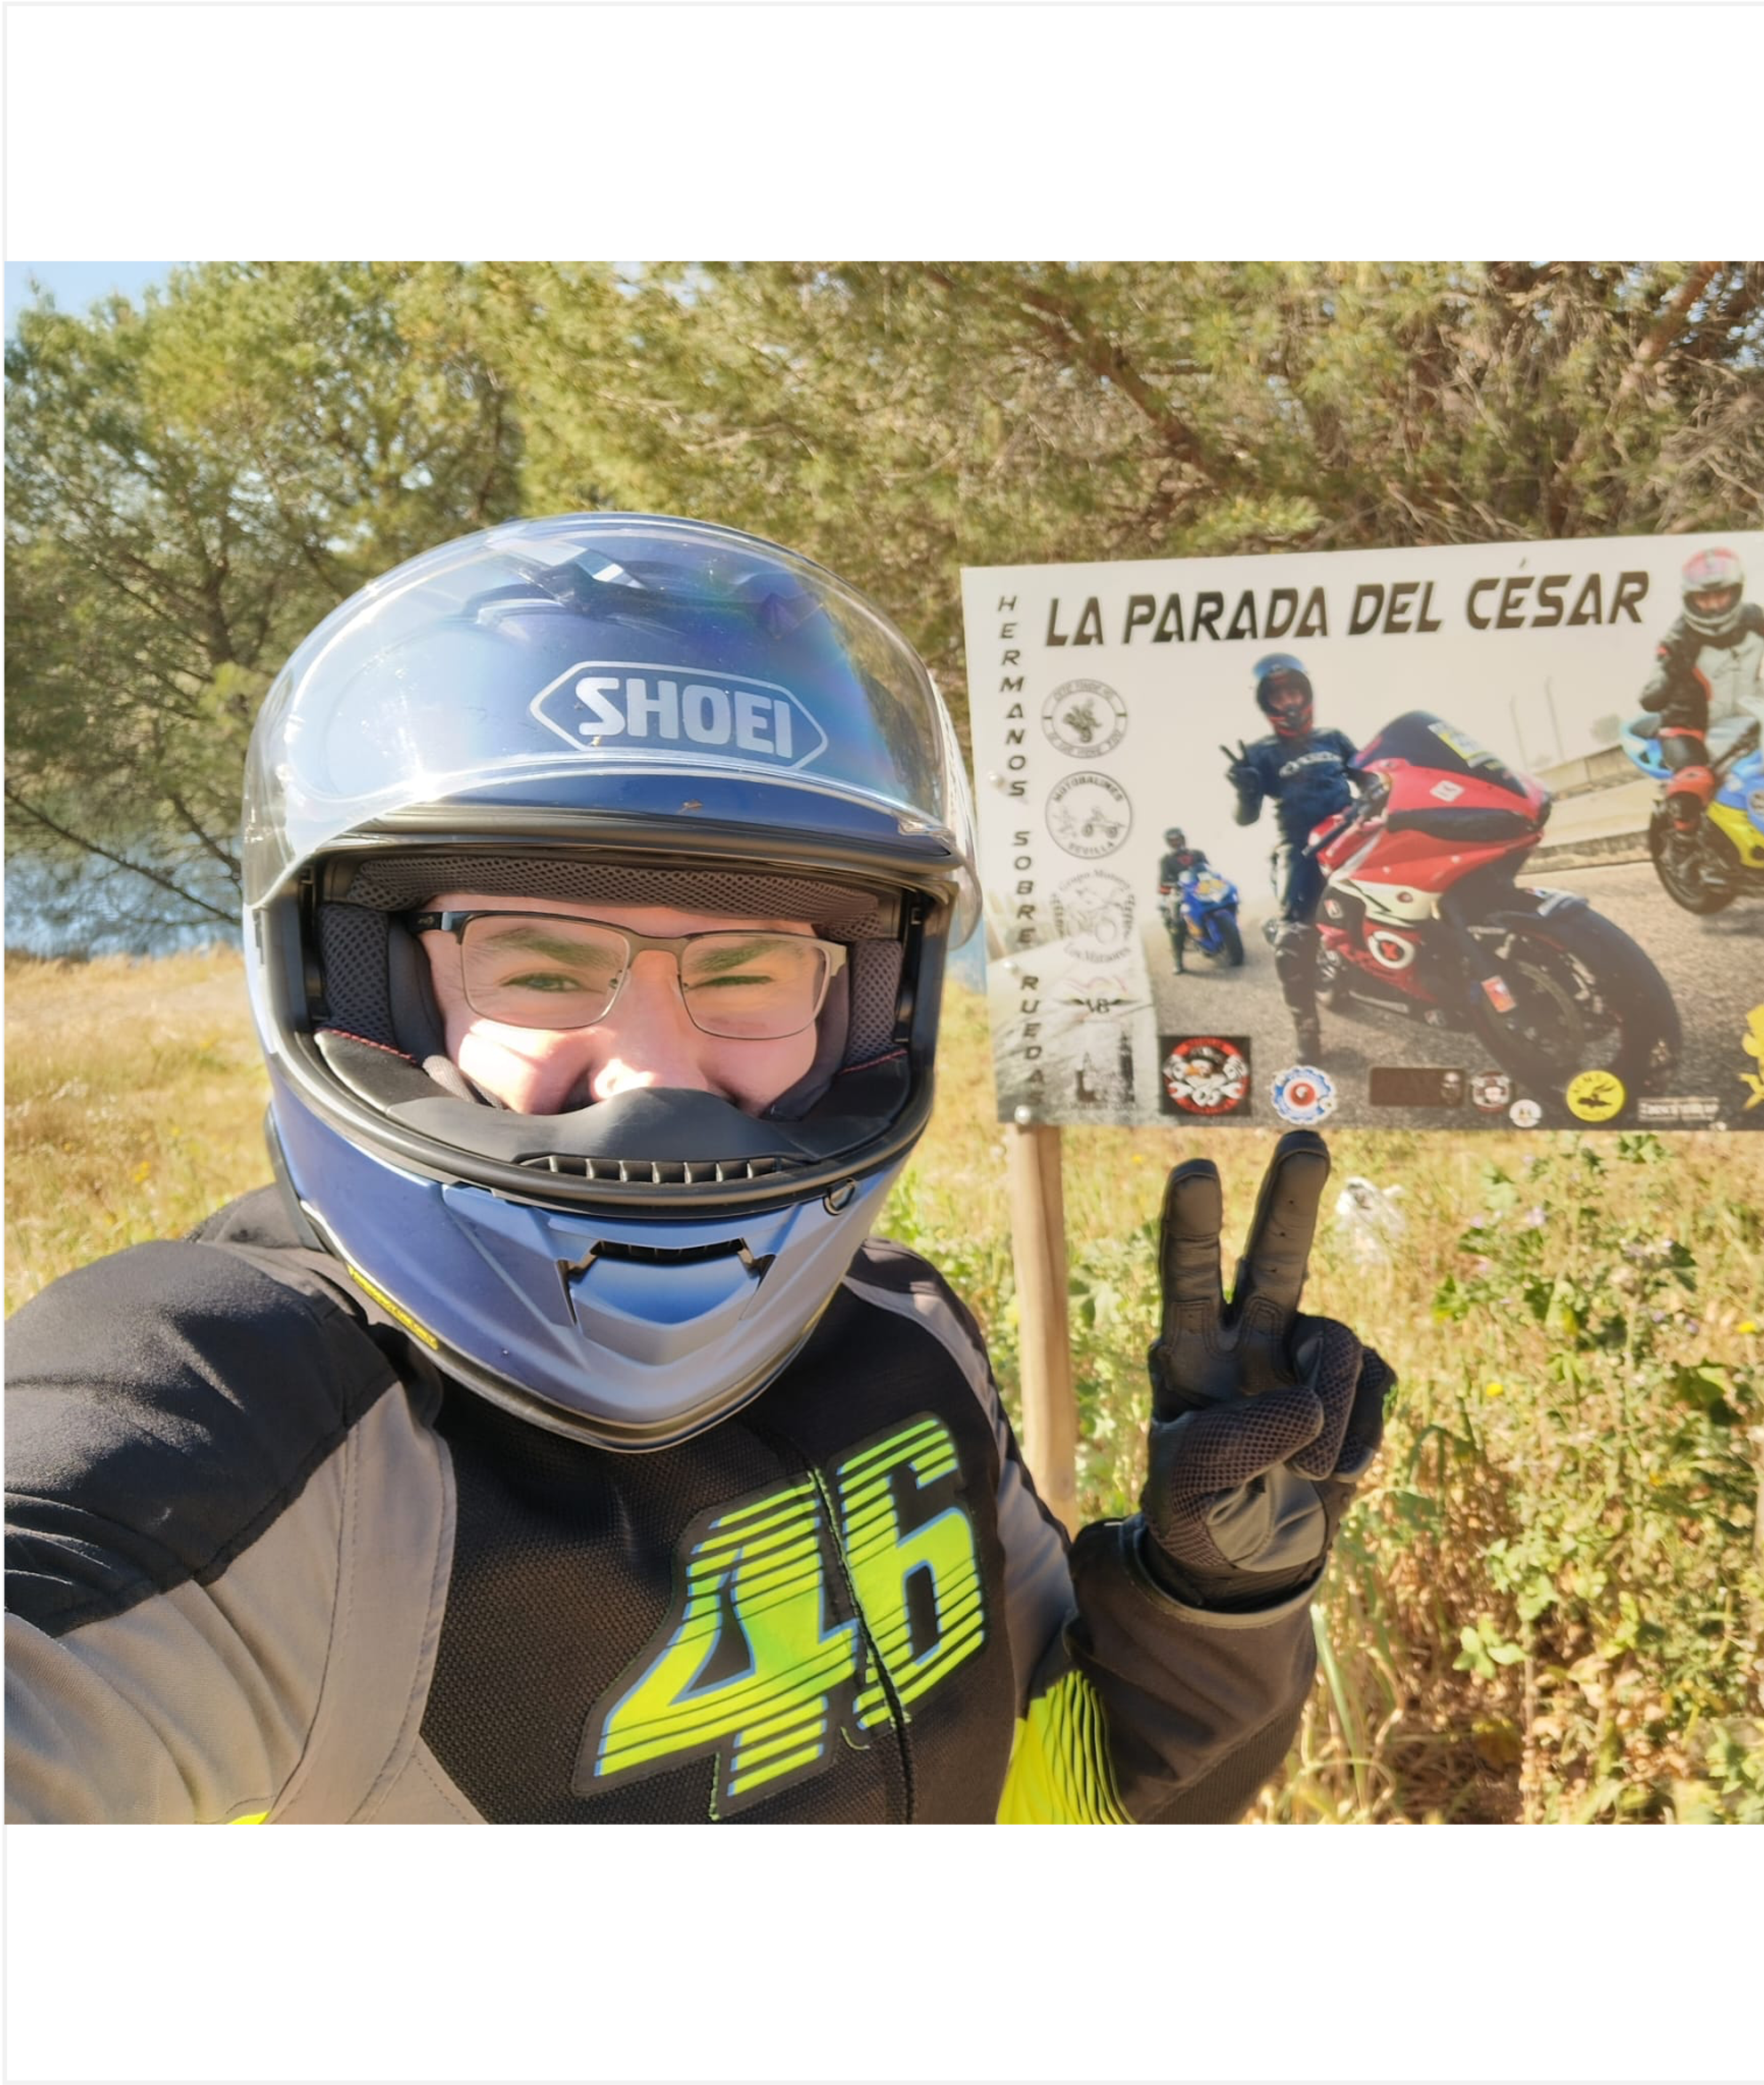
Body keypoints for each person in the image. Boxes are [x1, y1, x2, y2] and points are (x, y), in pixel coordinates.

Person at [4, 514, 1393, 1825]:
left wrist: (1213, 1605)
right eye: (539, 966)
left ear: (855, 1009)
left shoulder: (906, 1338)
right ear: (381, 993)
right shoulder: (245, 1416)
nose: (651, 1074)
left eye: (745, 969)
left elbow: (1065, 1792)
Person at [1222, 653, 1366, 1061]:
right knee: (1293, 939)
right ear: (1266, 704)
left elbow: (1370, 778)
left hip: (1353, 832)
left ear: (1306, 693)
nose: (1288, 701)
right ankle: (1306, 1028)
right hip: (1303, 847)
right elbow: (1246, 818)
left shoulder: (1333, 738)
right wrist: (1245, 790)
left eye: (1293, 692)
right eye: (1278, 695)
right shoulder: (1260, 753)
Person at [1635, 547, 1764, 831]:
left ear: (1736, 591)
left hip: (1751, 717)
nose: (1714, 605)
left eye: (1720, 594)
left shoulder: (1758, 620)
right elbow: (1651, 694)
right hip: (1688, 728)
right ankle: (1683, 843)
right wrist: (1665, 678)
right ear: (1691, 599)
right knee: (1694, 784)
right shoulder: (1677, 639)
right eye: (1704, 597)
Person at [1155, 826, 1210, 973]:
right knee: (1178, 923)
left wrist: (1210, 880)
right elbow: (1162, 882)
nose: (1176, 842)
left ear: (1184, 839)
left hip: (1203, 889)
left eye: (1178, 839)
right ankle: (1178, 962)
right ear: (1168, 843)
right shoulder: (1166, 860)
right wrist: (1174, 885)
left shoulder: (1197, 853)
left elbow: (1209, 870)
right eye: (1172, 840)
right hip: (1182, 894)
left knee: (1225, 896)